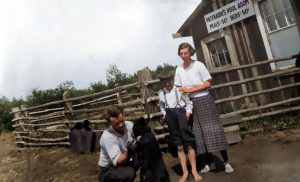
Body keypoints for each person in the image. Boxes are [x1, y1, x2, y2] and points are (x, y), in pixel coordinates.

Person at [174, 42, 234, 174]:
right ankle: (206, 163)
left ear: (191, 53)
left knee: (213, 130)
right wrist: (183, 96)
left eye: (186, 53)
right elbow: (178, 88)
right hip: (189, 103)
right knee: (198, 134)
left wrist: (191, 89)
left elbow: (207, 84)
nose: (183, 55)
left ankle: (226, 162)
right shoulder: (178, 69)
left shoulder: (198, 65)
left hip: (204, 99)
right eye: (181, 53)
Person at [159, 74, 202, 182]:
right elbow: (162, 107)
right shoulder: (161, 94)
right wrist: (165, 115)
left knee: (189, 144)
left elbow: (188, 103)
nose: (167, 84)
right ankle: (185, 172)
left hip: (181, 115)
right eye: (165, 82)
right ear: (162, 83)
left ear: (172, 80)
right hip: (171, 119)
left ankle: (194, 170)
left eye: (169, 81)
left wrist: (187, 113)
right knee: (179, 146)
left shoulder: (180, 90)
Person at [98, 106, 136, 182]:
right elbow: (118, 161)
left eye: (122, 121)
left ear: (123, 115)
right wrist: (130, 150)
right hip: (108, 168)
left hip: (126, 160)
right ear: (110, 123)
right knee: (129, 173)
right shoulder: (107, 137)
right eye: (116, 123)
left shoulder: (129, 125)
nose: (121, 125)